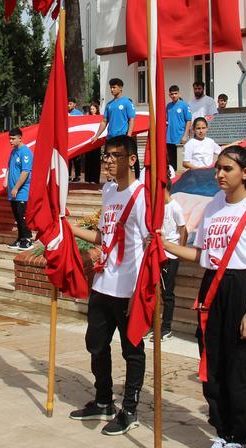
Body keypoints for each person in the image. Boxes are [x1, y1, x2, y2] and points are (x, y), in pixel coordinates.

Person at [163, 145, 246, 448]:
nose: (220, 174)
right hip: (212, 287)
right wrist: (167, 245)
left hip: (243, 287)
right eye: (218, 168)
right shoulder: (213, 205)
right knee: (212, 361)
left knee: (239, 366)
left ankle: (239, 436)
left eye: (227, 169)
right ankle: (222, 430)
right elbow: (202, 255)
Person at [68, 135, 147, 437]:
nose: (109, 160)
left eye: (116, 155)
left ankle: (130, 409)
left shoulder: (141, 196)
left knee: (132, 351)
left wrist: (141, 291)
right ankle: (103, 400)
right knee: (96, 344)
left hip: (129, 289)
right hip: (104, 282)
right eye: (106, 156)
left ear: (132, 159)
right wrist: (72, 228)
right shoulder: (109, 192)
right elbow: (105, 237)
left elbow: (151, 247)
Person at [159, 194, 188, 339]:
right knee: (156, 291)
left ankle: (166, 327)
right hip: (158, 254)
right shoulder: (157, 206)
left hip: (171, 255)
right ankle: (154, 325)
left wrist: (180, 252)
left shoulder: (175, 207)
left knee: (167, 292)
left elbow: (183, 230)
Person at [6, 128, 34, 250]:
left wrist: (16, 187)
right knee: (17, 216)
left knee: (22, 215)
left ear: (20, 138)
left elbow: (25, 172)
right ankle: (20, 238)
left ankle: (27, 239)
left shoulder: (26, 152)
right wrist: (5, 181)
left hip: (22, 191)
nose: (11, 141)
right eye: (10, 139)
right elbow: (8, 167)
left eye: (13, 139)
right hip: (12, 191)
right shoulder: (13, 152)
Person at [165, 85, 193, 173]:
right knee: (171, 163)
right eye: (172, 94)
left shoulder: (184, 105)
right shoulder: (168, 106)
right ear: (169, 95)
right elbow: (166, 120)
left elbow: (188, 120)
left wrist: (185, 136)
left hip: (180, 138)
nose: (174, 96)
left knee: (180, 164)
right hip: (169, 138)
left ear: (179, 93)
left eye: (175, 93)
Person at [84, 102, 103, 183]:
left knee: (95, 161)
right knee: (88, 160)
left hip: (97, 142)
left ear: (97, 109)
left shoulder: (101, 118)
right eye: (91, 109)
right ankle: (88, 178)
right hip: (89, 142)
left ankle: (95, 179)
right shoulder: (87, 118)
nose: (92, 110)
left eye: (93, 109)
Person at [68, 98, 84, 182]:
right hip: (68, 139)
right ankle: (68, 175)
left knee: (77, 159)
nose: (69, 105)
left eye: (70, 104)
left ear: (74, 104)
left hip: (76, 140)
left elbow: (82, 125)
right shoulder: (65, 113)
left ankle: (77, 176)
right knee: (68, 158)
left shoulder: (79, 114)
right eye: (68, 104)